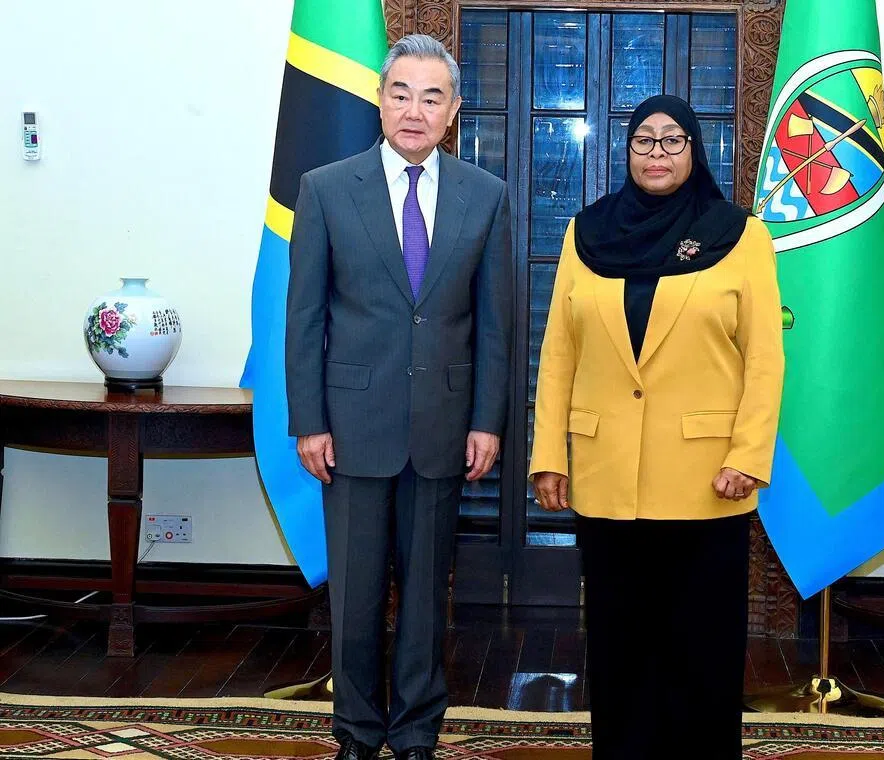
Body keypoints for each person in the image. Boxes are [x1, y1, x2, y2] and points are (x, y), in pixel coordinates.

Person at [529, 94, 785, 759]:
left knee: (700, 648)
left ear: (695, 150)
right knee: (618, 644)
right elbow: (559, 352)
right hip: (607, 476)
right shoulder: (586, 234)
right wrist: (548, 454)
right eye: (645, 141)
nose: (658, 154)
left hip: (708, 481)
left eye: (673, 141)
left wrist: (749, 453)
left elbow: (764, 357)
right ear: (627, 150)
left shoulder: (739, 235)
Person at [285, 34, 513, 760]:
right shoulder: (325, 188)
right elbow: (305, 318)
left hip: (445, 426)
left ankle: (416, 732)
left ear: (453, 111)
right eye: (400, 93)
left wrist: (488, 421)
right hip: (349, 427)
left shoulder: (487, 196)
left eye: (431, 96)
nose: (414, 110)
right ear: (380, 101)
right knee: (353, 598)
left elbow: (497, 324)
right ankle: (355, 732)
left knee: (423, 598)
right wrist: (309, 421)